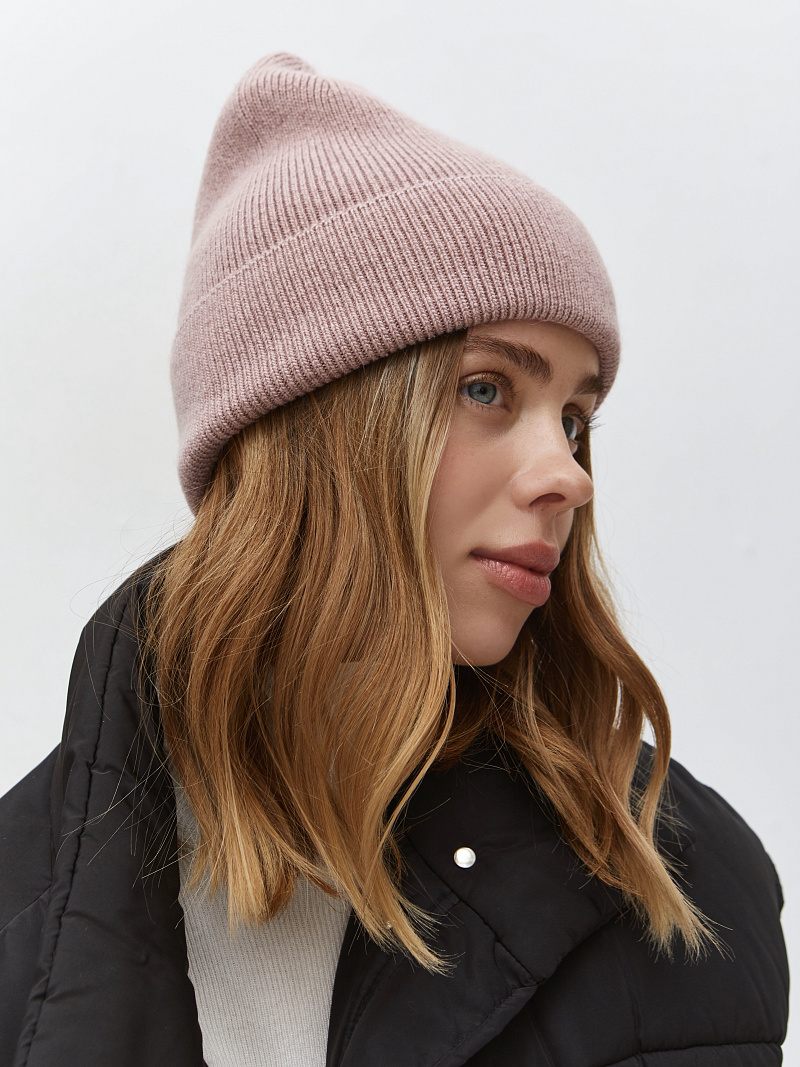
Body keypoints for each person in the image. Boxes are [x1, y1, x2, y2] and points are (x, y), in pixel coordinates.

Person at [0, 53, 789, 1067]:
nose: (568, 474)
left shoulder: (675, 879)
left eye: (574, 416)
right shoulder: (18, 905)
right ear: (311, 427)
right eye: (486, 388)